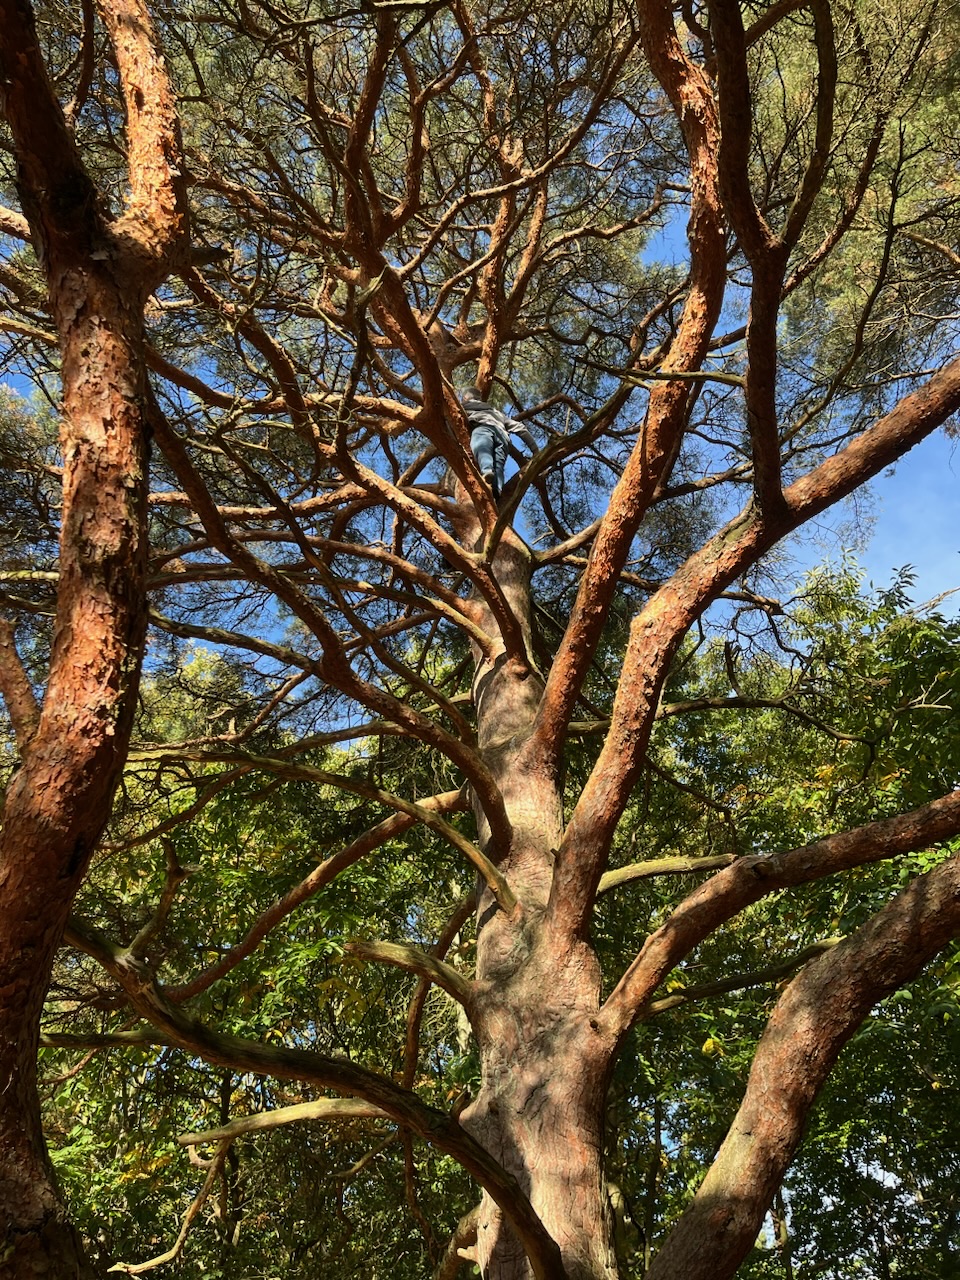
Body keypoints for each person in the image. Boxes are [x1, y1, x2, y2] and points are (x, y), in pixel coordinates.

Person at [460, 384, 536, 500]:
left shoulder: (464, 407)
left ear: (465, 397)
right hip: (503, 438)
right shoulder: (496, 412)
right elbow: (521, 428)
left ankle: (486, 471)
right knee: (499, 464)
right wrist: (535, 450)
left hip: (483, 428)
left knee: (482, 447)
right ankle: (496, 489)